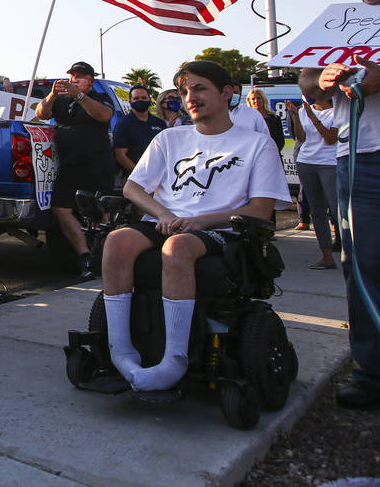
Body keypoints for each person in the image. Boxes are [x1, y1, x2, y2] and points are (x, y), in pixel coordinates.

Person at [103, 60, 290, 393]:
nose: (190, 96)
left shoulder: (256, 145)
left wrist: (199, 222)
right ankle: (122, 350)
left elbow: (261, 210)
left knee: (177, 247)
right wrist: (161, 214)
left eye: (200, 88)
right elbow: (133, 188)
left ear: (227, 93)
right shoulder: (169, 139)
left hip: (224, 229)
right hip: (168, 220)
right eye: (184, 91)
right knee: (116, 242)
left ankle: (174, 361)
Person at [299, 0, 380, 409]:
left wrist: (371, 78)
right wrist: (324, 79)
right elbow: (308, 80)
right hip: (357, 158)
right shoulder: (338, 22)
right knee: (362, 265)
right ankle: (370, 372)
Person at [34, 61, 116, 279]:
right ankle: (85, 255)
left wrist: (79, 96)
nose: (74, 80)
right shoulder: (61, 100)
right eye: (71, 76)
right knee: (61, 208)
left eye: (79, 77)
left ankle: (105, 257)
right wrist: (52, 95)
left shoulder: (99, 98)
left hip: (97, 164)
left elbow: (104, 116)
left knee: (101, 211)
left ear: (90, 81)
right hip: (70, 165)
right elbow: (41, 113)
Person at [287, 98, 339, 269]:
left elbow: (331, 138)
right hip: (306, 161)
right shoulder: (303, 110)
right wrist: (296, 116)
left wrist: (313, 117)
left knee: (337, 209)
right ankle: (327, 257)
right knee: (317, 212)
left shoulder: (337, 110)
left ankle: (349, 251)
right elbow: (301, 138)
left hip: (330, 163)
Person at [112, 85, 167, 178]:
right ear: (130, 102)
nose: (140, 100)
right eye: (136, 98)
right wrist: (140, 175)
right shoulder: (123, 125)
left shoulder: (160, 123)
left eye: (143, 98)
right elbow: (120, 155)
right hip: (135, 178)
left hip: (161, 176)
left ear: (149, 100)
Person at [246, 88, 286, 156]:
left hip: (272, 155)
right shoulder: (246, 118)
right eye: (253, 99)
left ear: (264, 100)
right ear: (249, 101)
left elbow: (280, 141)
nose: (256, 101)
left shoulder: (274, 118)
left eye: (259, 98)